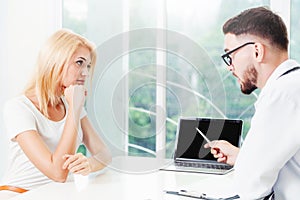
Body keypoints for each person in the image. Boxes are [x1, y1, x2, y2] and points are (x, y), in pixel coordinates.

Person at [0, 29, 112, 198]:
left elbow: (104, 154)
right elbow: (57, 173)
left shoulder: (72, 103)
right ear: (56, 62)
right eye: (79, 63)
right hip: (20, 194)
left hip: (57, 194)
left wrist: (89, 164)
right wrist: (75, 107)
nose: (85, 72)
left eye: (88, 65)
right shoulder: (18, 108)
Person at [204, 6, 300, 199]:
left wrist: (247, 166)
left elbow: (250, 185)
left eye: (230, 55)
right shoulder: (293, 85)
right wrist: (243, 157)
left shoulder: (282, 94)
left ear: (257, 51)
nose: (229, 67)